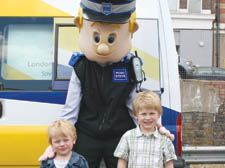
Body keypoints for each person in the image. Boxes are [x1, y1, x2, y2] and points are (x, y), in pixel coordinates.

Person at [39, 0, 174, 168]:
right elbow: (71, 109)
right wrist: (54, 145)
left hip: (120, 136)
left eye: (111, 38)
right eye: (96, 37)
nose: (102, 47)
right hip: (87, 135)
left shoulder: (130, 66)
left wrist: (157, 128)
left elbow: (137, 107)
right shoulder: (81, 66)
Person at [114, 91, 177, 168]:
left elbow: (169, 165)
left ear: (159, 114)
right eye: (143, 114)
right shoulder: (128, 137)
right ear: (136, 115)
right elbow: (122, 162)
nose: (148, 118)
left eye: (152, 113)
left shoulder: (165, 140)